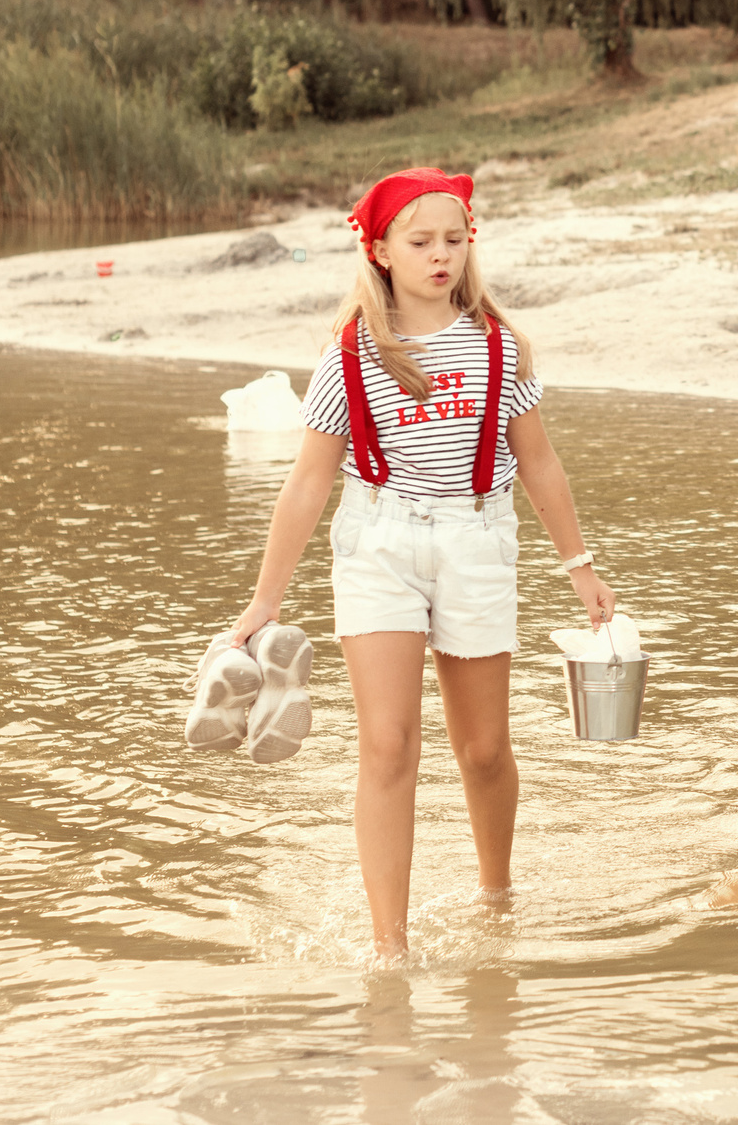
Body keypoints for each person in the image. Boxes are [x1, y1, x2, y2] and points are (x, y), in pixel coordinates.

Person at [223, 166, 616, 958]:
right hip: (378, 545)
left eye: (454, 239)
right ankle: (389, 948)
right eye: (421, 240)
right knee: (389, 743)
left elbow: (539, 465)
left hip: (477, 542)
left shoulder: (502, 348)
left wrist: (580, 564)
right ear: (380, 251)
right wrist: (265, 600)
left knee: (483, 749)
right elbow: (307, 483)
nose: (442, 255)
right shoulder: (350, 353)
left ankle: (496, 894)